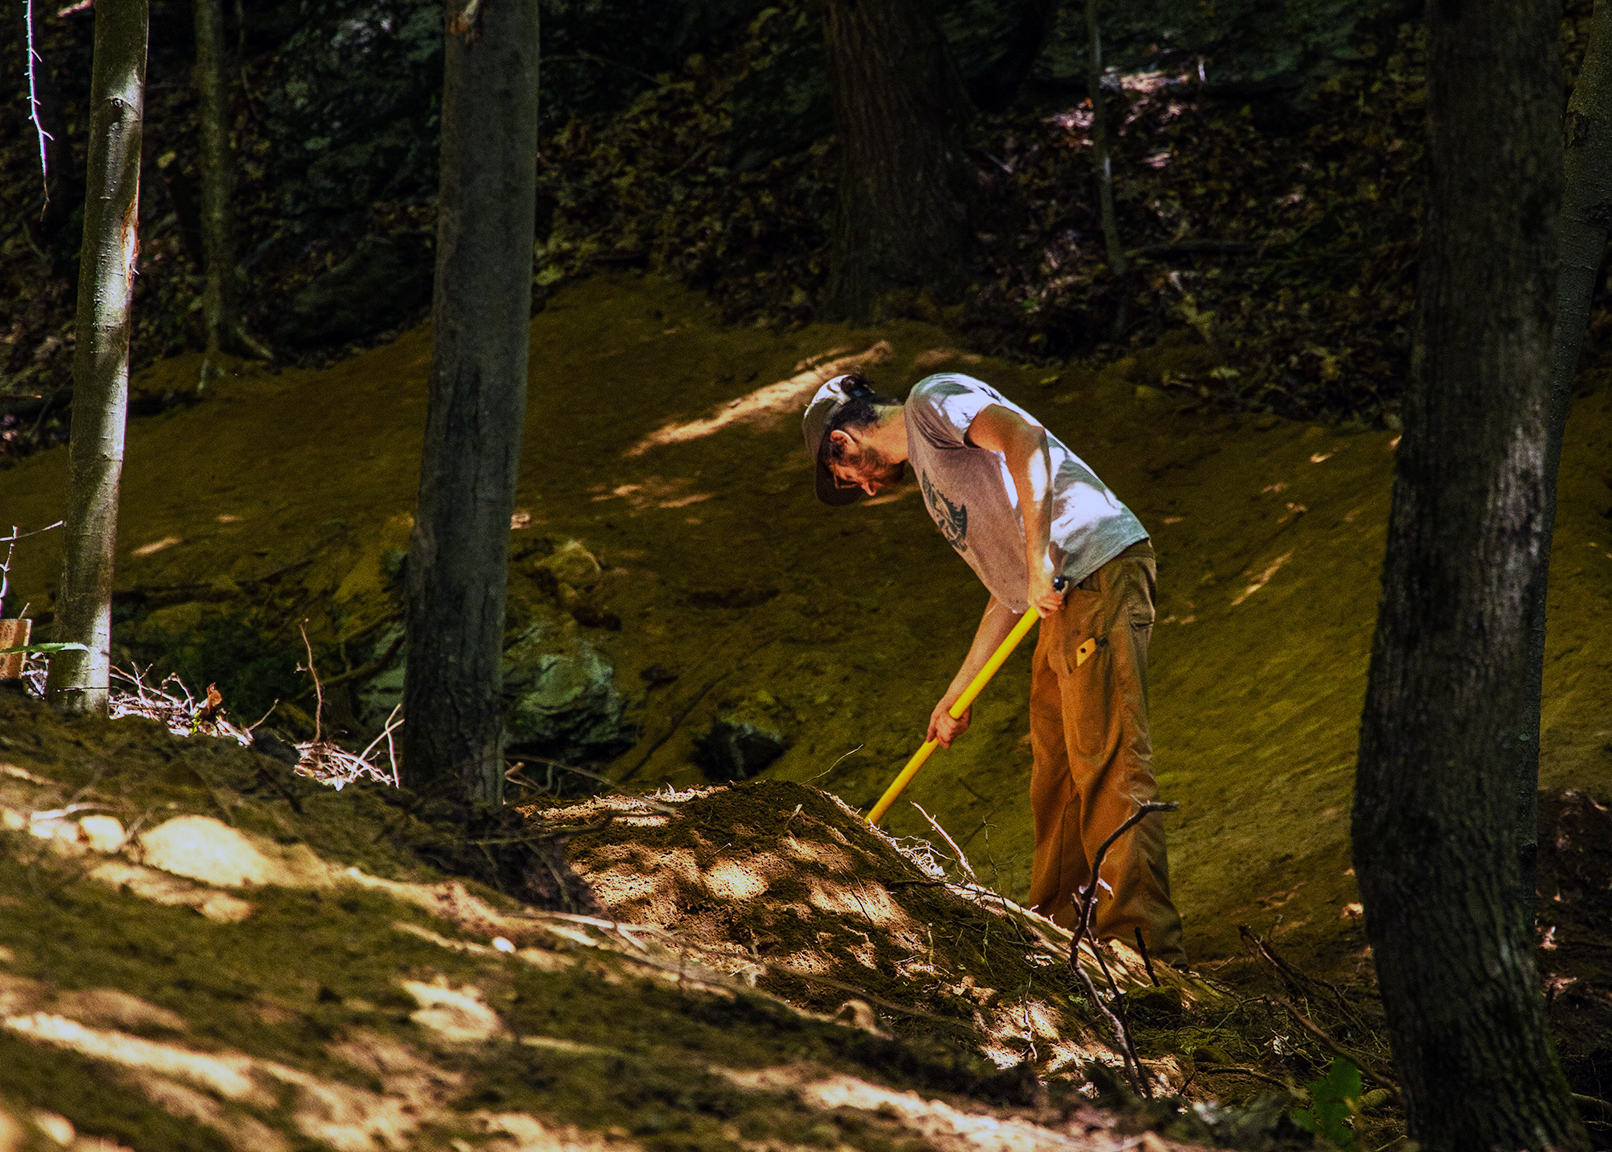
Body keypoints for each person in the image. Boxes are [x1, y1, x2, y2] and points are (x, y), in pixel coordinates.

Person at [802, 370, 1184, 962]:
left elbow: (1025, 436)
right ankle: (1064, 935)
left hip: (1092, 571)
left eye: (845, 479)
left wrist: (1038, 561)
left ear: (842, 442)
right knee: (1055, 774)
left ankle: (1142, 951)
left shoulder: (932, 400)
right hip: (1055, 599)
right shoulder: (934, 476)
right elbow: (1006, 591)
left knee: (1107, 762)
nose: (865, 490)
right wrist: (958, 692)